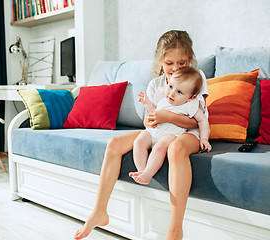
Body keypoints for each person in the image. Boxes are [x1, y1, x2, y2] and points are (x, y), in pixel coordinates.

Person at [74, 30, 209, 240]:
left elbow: (196, 120)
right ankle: (100, 211)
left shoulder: (196, 78)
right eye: (169, 63)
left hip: (188, 132)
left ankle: (175, 230)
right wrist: (152, 118)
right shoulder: (156, 84)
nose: (175, 69)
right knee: (114, 144)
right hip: (160, 130)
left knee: (175, 149)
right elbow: (150, 120)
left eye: (181, 63)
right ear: (160, 61)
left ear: (189, 60)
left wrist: (167, 116)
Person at [129, 67, 211, 185]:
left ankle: (148, 173)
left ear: (191, 97)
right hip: (154, 131)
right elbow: (156, 111)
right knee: (138, 142)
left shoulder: (190, 105)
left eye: (179, 92)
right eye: (171, 87)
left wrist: (204, 139)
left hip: (171, 135)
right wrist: (147, 104)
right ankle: (141, 170)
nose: (172, 93)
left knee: (159, 147)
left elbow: (202, 121)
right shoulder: (164, 99)